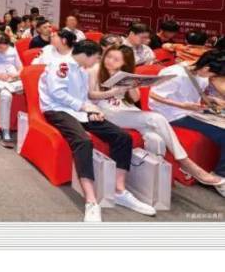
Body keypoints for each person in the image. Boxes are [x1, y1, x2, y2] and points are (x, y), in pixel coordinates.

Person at [40, 40, 156, 222]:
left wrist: (92, 109)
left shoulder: (81, 70)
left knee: (122, 137)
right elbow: (57, 94)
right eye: (96, 57)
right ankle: (91, 200)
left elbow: (84, 97)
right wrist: (85, 107)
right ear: (86, 55)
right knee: (83, 141)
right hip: (57, 110)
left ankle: (119, 190)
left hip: (80, 110)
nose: (97, 61)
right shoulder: (61, 65)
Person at [89, 45, 223, 189]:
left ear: (124, 62)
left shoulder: (123, 74)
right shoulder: (96, 70)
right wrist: (112, 92)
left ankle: (152, 182)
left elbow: (135, 99)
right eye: (109, 57)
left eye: (116, 60)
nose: (110, 61)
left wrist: (131, 85)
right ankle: (187, 164)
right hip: (106, 111)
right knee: (156, 118)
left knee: (156, 139)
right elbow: (91, 95)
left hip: (126, 109)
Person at [149, 49, 225, 197]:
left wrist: (212, 99)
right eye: (212, 75)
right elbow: (153, 95)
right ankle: (221, 175)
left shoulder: (200, 73)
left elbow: (197, 92)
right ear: (206, 68)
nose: (212, 78)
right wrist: (182, 105)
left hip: (192, 110)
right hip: (172, 113)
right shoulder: (175, 73)